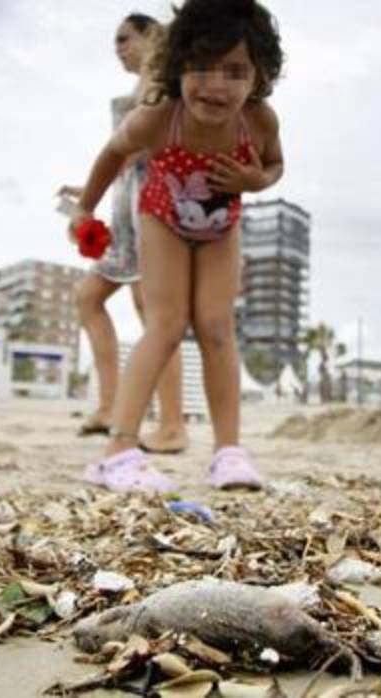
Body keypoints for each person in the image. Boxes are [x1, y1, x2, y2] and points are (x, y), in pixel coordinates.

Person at [67, 0, 285, 492]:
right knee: (165, 324)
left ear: (259, 76)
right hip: (161, 215)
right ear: (178, 64)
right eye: (202, 66)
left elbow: (274, 166)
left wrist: (254, 179)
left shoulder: (260, 121)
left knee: (216, 326)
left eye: (235, 71)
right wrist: (85, 207)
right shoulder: (158, 116)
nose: (216, 84)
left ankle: (229, 452)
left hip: (221, 224)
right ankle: (117, 452)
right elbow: (112, 155)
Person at [61, 13, 189, 454]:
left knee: (156, 313)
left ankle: (172, 424)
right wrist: (88, 191)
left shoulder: (162, 80)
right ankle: (111, 405)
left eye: (124, 39)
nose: (117, 48)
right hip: (127, 208)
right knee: (89, 297)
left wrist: (88, 200)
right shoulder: (145, 86)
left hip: (150, 206)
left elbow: (146, 146)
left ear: (151, 36)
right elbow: (130, 156)